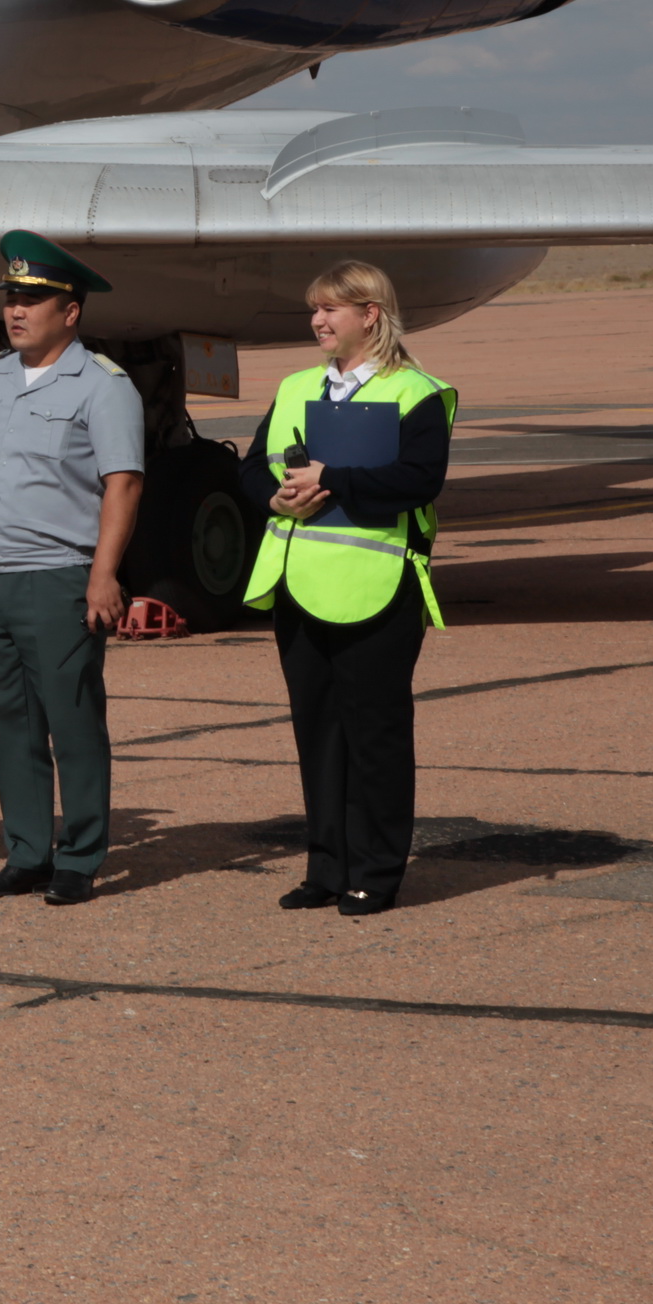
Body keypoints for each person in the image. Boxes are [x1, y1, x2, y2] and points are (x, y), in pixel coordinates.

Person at [0, 232, 144, 906]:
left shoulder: (103, 386)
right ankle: (26, 853)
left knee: (72, 723)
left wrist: (103, 575)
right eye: (12, 298)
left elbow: (123, 483)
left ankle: (79, 856)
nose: (16, 311)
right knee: (9, 724)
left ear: (70, 311)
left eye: (33, 300)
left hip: (58, 576)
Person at [237, 259, 458, 917]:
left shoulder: (416, 392)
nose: (317, 320)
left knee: (376, 735)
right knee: (318, 733)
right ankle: (326, 868)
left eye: (330, 308)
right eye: (315, 308)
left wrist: (333, 479)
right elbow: (251, 468)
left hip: (377, 587)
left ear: (370, 314)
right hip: (299, 585)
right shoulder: (296, 386)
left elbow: (420, 480)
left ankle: (377, 873)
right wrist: (275, 498)